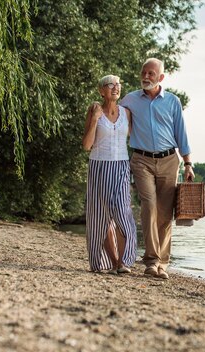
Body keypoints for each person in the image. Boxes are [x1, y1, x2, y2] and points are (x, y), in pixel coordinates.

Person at [120, 58, 194, 280]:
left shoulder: (172, 101)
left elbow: (181, 133)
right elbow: (115, 121)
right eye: (144, 72)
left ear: (161, 77)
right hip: (141, 160)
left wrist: (188, 163)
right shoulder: (130, 99)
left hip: (169, 160)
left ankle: (163, 263)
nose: (146, 76)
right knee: (149, 206)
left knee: (165, 213)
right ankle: (151, 261)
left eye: (151, 73)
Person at [82, 75, 137, 274]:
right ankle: (114, 262)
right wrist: (95, 119)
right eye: (110, 84)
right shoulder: (94, 110)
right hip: (99, 167)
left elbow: (136, 139)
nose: (115, 87)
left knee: (123, 213)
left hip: (121, 166)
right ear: (101, 91)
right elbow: (87, 145)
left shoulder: (127, 113)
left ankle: (124, 261)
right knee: (100, 217)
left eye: (118, 84)